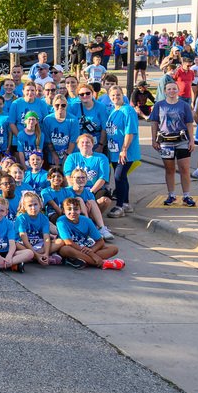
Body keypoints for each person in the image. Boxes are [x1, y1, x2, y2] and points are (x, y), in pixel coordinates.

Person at [149, 81, 196, 206]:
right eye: (169, 89)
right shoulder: (159, 105)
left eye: (174, 89)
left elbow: (189, 123)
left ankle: (186, 195)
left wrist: (191, 140)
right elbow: (154, 123)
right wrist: (154, 139)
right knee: (169, 169)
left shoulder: (184, 105)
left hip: (182, 140)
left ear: (178, 90)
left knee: (184, 169)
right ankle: (171, 195)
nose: (172, 91)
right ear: (165, 91)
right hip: (166, 141)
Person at [55, 197, 124, 270]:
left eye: (76, 209)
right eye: (69, 209)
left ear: (80, 210)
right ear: (63, 211)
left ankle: (82, 260)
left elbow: (100, 241)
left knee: (113, 249)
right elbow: (69, 242)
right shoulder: (61, 221)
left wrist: (92, 251)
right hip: (73, 248)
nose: (73, 212)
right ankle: (102, 263)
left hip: (86, 247)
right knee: (65, 249)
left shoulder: (87, 220)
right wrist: (93, 255)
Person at [105, 86, 140, 215]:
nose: (115, 97)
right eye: (113, 95)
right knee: (122, 177)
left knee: (118, 176)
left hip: (125, 151)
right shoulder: (113, 111)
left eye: (118, 95)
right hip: (114, 151)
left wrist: (124, 149)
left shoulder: (128, 110)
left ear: (122, 95)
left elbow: (130, 132)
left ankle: (119, 206)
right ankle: (125, 203)